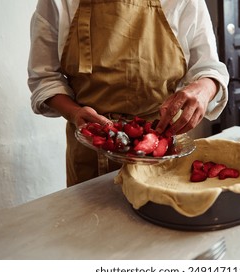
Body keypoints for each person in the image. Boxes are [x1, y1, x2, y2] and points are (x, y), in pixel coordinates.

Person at [28, 0, 229, 187]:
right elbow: (45, 78)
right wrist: (74, 113)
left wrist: (204, 88)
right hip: (91, 151)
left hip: (164, 148)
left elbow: (210, 68)